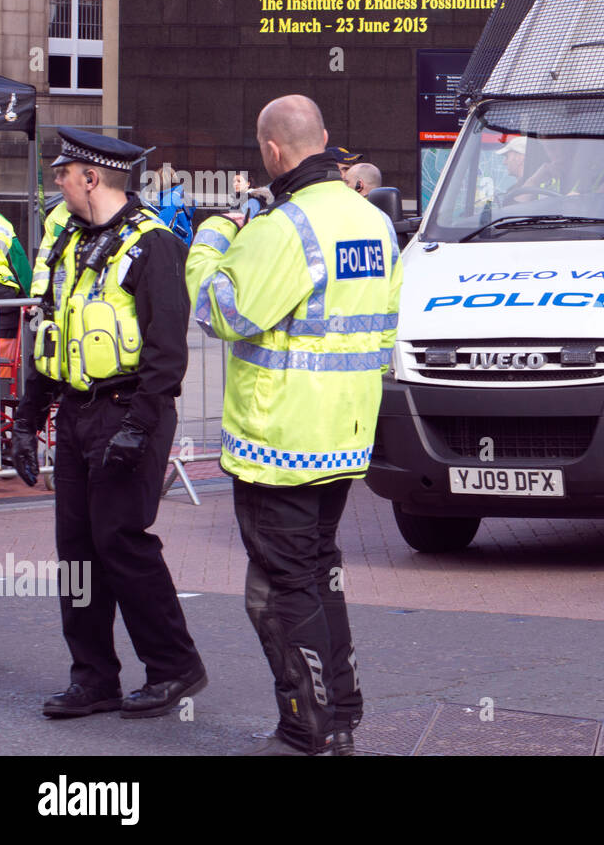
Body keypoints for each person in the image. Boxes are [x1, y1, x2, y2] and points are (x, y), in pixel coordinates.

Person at [186, 95, 400, 756]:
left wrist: (213, 240)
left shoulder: (283, 230)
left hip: (280, 440)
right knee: (318, 574)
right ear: (326, 139)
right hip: (342, 434)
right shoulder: (374, 224)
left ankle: (307, 728)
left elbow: (219, 309)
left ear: (273, 153)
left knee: (282, 590)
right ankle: (341, 713)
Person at [12, 127, 206, 719]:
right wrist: (27, 421)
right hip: (75, 414)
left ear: (91, 178)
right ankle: (93, 677)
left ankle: (174, 667)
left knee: (121, 542)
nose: (57, 182)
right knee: (76, 550)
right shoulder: (67, 242)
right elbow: (55, 336)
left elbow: (166, 354)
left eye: (64, 173)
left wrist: (137, 429)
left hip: (130, 412)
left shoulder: (155, 247)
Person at [0, 202, 29, 343]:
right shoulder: (1, 223)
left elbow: (19, 265)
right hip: (1, 301)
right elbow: (20, 266)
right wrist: (30, 298)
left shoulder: (1, 224)